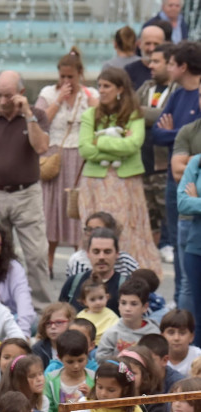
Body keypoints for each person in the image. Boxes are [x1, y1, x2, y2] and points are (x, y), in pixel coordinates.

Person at [0, 70, 52, 309]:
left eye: (8, 96)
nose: (3, 101)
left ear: (21, 94)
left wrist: (27, 114)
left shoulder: (37, 115)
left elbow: (41, 146)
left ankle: (41, 308)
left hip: (27, 194)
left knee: (36, 255)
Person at [79, 73, 161, 276]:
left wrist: (100, 141)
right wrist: (117, 144)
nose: (102, 90)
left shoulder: (133, 114)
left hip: (125, 183)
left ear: (120, 89)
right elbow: (84, 149)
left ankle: (127, 280)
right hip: (95, 183)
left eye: (107, 85)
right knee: (94, 231)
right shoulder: (90, 114)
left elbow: (133, 145)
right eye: (100, 86)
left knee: (125, 233)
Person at [36, 49, 99, 275]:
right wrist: (59, 100)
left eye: (70, 77)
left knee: (77, 209)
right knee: (51, 208)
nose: (65, 81)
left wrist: (94, 105)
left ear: (79, 74)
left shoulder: (90, 94)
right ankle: (49, 261)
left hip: (80, 158)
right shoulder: (48, 93)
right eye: (62, 76)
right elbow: (39, 121)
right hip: (55, 156)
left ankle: (79, 262)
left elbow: (101, 123)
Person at [153, 42, 201, 303]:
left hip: (191, 185)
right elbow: (158, 133)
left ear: (183, 66)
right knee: (182, 250)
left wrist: (179, 137)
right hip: (178, 186)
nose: (168, 68)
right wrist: (180, 132)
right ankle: (182, 305)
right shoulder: (178, 95)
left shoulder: (193, 95)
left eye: (171, 63)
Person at [136, 42, 176, 253]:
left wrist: (142, 113)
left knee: (166, 210)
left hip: (164, 162)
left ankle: (168, 244)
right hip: (142, 160)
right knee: (147, 208)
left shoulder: (177, 90)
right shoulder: (146, 87)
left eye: (156, 61)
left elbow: (169, 117)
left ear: (170, 64)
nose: (151, 65)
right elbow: (129, 109)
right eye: (150, 60)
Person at [60, 228, 128, 313]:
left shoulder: (127, 286)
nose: (101, 257)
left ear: (117, 254)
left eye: (107, 252)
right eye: (96, 252)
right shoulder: (73, 283)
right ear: (88, 253)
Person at [97, 279, 161, 360]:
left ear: (145, 307)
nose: (127, 308)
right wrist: (124, 369)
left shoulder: (154, 333)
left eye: (134, 304)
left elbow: (157, 362)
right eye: (123, 303)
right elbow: (101, 360)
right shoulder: (111, 333)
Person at [65, 212, 140, 278]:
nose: (92, 233)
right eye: (89, 229)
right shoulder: (78, 260)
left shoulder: (126, 261)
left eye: (98, 229)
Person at [43, 330, 93, 412]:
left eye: (80, 360)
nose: (76, 366)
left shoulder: (94, 378)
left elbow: (101, 408)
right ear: (60, 358)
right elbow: (47, 409)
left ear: (87, 355)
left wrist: (92, 395)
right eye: (70, 362)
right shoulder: (51, 379)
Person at [76, 277, 120, 343]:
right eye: (92, 299)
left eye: (101, 298)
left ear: (107, 297)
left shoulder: (111, 316)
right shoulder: (81, 317)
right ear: (85, 301)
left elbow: (117, 333)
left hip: (106, 346)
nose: (98, 302)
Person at [125, 23, 168, 90]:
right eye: (148, 44)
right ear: (139, 44)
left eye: (156, 44)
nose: (152, 48)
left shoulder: (170, 71)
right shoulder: (129, 71)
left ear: (164, 45)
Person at [160, 309, 201, 376]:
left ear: (191, 337)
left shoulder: (198, 356)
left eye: (182, 333)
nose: (176, 338)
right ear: (162, 336)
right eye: (171, 333)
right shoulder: (156, 359)